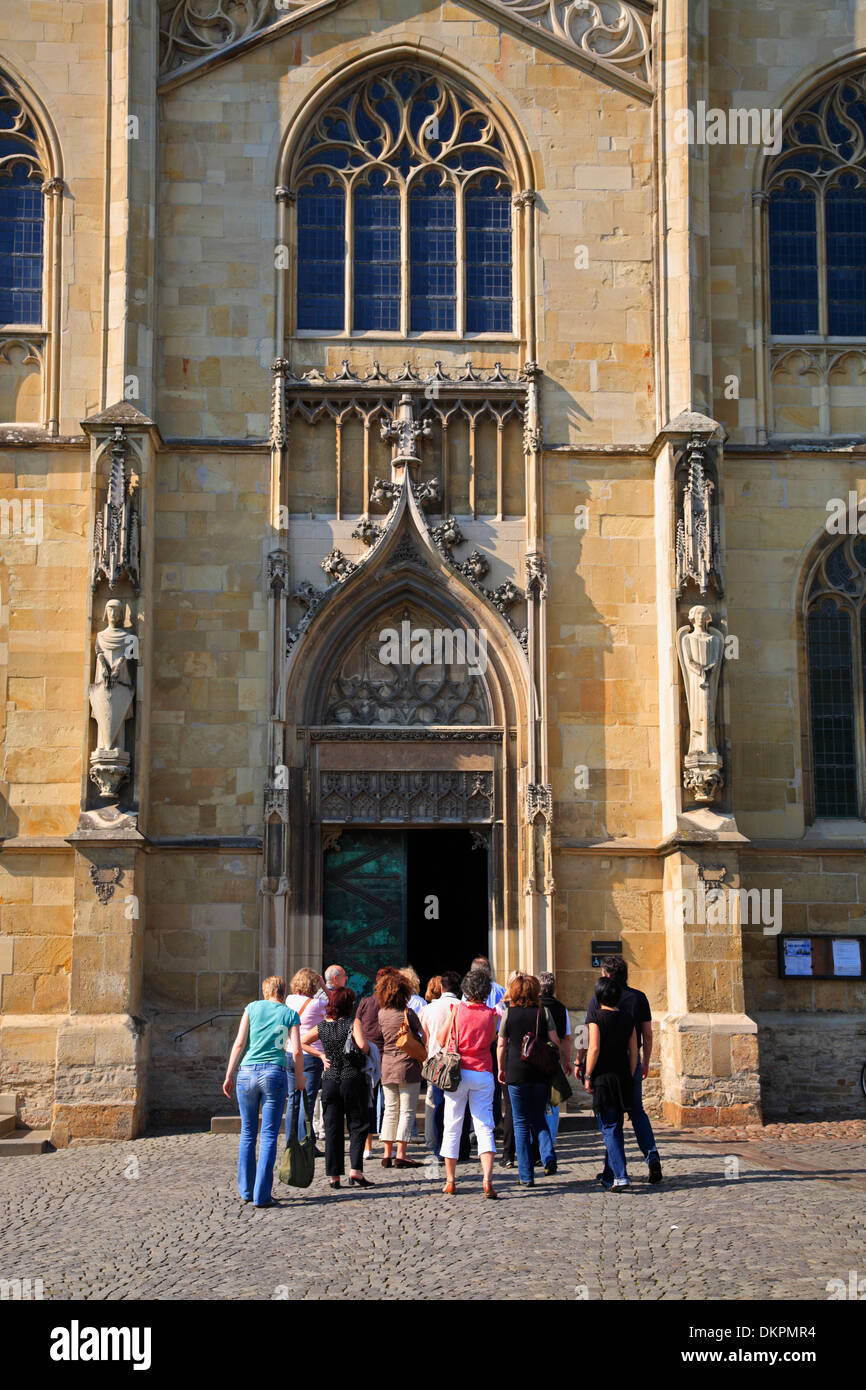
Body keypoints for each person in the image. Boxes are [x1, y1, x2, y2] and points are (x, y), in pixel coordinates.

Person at [579, 955, 662, 1184]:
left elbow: (586, 1036)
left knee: (610, 1118)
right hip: (631, 1063)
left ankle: (615, 1172)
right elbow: (647, 1033)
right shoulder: (639, 998)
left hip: (606, 1067)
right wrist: (645, 1061)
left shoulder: (599, 999)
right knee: (637, 1111)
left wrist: (582, 1064)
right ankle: (651, 1155)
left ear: (606, 975)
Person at [222, 975, 303, 1209]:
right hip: (274, 1074)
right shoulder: (290, 1014)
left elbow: (239, 1043)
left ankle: (246, 1190)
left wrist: (229, 1074)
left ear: (265, 990)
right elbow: (296, 1051)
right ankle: (261, 1196)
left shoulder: (252, 1007)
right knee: (268, 1136)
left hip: (246, 1072)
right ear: (283, 991)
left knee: (247, 1133)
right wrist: (299, 1078)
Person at [436, 966, 500, 1198]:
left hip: (458, 1073)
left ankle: (451, 1180)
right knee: (484, 1125)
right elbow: (492, 1039)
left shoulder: (456, 1010)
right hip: (483, 1072)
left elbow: (442, 1039)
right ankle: (487, 1179)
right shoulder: (492, 1014)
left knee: (452, 1124)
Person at [302, 985, 373, 1189]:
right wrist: (367, 1045)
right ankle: (356, 1172)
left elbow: (304, 1041)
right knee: (357, 1125)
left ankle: (334, 1176)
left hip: (330, 1078)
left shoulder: (323, 1026)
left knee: (332, 1128)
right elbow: (363, 1046)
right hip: (352, 1078)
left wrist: (321, 1055)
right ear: (349, 1005)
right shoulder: (353, 1023)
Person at [496, 972, 560, 1187]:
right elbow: (555, 1041)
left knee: (521, 1122)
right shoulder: (544, 1012)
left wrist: (500, 1068)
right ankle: (548, 1154)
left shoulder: (509, 1013)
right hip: (539, 1071)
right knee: (539, 1117)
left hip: (516, 1071)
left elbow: (502, 1044)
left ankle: (526, 1175)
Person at [581, 974, 638, 1191]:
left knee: (609, 1127)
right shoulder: (628, 1018)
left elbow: (593, 1048)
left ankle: (621, 1176)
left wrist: (588, 1075)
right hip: (622, 1076)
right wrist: (630, 1074)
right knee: (616, 1127)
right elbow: (633, 1050)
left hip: (604, 1078)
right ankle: (609, 1174)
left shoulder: (596, 1017)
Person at [376, 967, 424, 1168]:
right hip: (407, 1066)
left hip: (387, 1065)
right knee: (406, 1110)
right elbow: (420, 1034)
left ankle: (386, 1153)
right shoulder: (408, 1012)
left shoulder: (381, 1013)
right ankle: (401, 1153)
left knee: (390, 1110)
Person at [284, 967, 326, 1150]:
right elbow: (334, 1003)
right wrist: (324, 985)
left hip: (290, 1052)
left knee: (293, 1099)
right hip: (310, 1055)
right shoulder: (317, 1004)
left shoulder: (289, 999)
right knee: (307, 1101)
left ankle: (290, 1141)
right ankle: (305, 1143)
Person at [421, 970, 461, 1158]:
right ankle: (460, 1148)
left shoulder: (428, 1009)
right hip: (459, 1062)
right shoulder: (462, 1006)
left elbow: (425, 1039)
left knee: (438, 1106)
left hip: (436, 1062)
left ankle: (439, 1147)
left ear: (442, 988)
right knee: (460, 1107)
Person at [537, 969, 571, 1176]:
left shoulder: (533, 1006)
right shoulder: (561, 1008)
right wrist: (566, 1060)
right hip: (552, 1059)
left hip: (532, 1060)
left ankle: (539, 1143)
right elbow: (565, 1037)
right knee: (553, 1101)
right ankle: (551, 1140)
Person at [356, 969, 386, 1157]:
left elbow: (357, 1023)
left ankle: (367, 1145)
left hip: (368, 1055)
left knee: (369, 1099)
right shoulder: (392, 1005)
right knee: (390, 1101)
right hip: (387, 1054)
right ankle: (390, 1142)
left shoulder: (366, 1002)